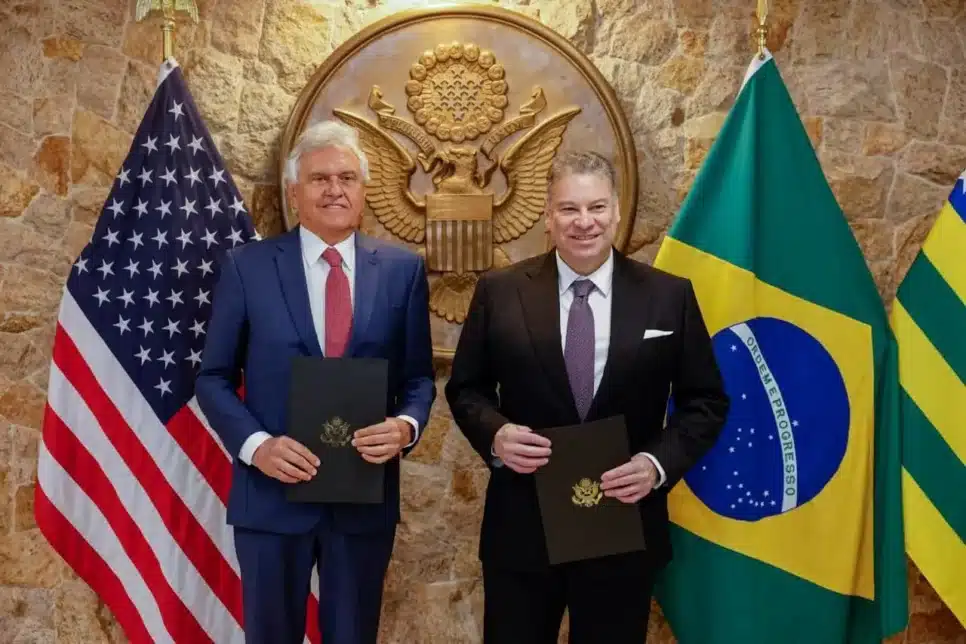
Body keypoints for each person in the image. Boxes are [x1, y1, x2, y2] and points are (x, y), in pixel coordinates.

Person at [444, 151, 729, 643]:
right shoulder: (499, 292)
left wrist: (656, 465)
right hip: (523, 529)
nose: (584, 222)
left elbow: (706, 401)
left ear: (616, 211)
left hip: (623, 524)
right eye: (569, 208)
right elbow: (466, 388)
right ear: (548, 216)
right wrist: (497, 435)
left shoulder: (669, 296)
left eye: (596, 207)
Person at [196, 120, 436, 644]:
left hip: (362, 497)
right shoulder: (247, 267)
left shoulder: (403, 272)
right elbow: (212, 378)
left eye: (347, 178)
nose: (334, 190)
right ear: (293, 192)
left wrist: (404, 427)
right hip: (270, 497)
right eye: (319, 178)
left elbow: (419, 378)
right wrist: (257, 447)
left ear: (363, 191)